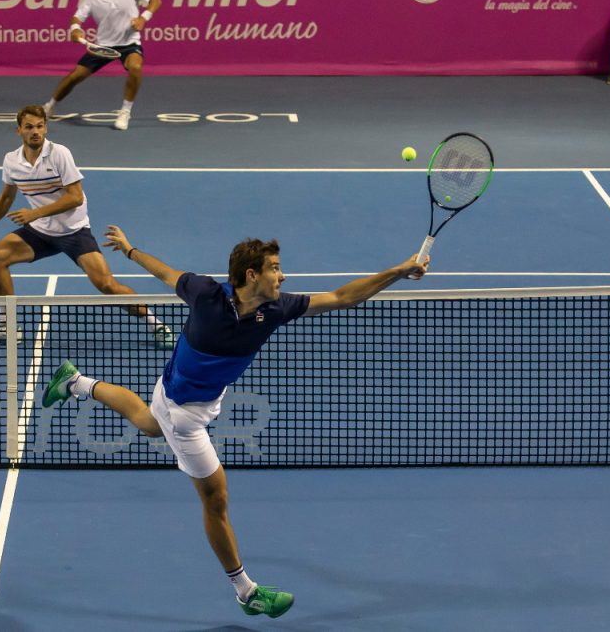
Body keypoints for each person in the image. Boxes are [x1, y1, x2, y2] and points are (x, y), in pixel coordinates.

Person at [42, 226, 429, 618]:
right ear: (252, 275)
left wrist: (397, 271)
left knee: (148, 421)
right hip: (185, 415)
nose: (283, 276)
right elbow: (165, 272)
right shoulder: (205, 293)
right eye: (275, 269)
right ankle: (247, 592)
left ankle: (75, 382)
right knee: (216, 499)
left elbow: (343, 297)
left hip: (175, 389)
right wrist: (130, 250)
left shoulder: (275, 309)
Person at [0, 106, 172, 348]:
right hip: (40, 232)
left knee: (107, 285)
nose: (35, 132)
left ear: (46, 127)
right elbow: (5, 197)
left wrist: (34, 213)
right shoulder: (11, 161)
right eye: (29, 127)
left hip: (74, 232)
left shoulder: (59, 154)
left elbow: (75, 197)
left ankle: (157, 325)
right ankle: (7, 327)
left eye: (40, 126)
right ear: (18, 130)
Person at [42, 0, 162, 130]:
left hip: (129, 43)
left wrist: (143, 18)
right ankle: (49, 106)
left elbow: (155, 1)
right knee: (75, 76)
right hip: (102, 46)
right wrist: (75, 29)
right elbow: (76, 17)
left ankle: (125, 112)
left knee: (136, 67)